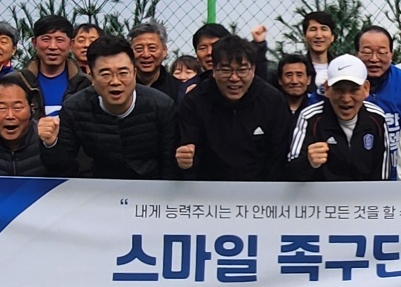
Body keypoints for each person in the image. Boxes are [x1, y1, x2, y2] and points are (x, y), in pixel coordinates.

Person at [40, 35, 178, 179]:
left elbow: (169, 166)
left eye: (123, 73)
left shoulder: (162, 106)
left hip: (151, 185)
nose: (115, 82)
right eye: (106, 74)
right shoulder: (74, 108)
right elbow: (61, 168)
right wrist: (51, 144)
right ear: (92, 77)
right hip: (98, 185)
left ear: (134, 74)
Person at [175, 35, 292, 181]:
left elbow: (278, 157)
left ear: (253, 69)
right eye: (226, 70)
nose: (234, 78)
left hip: (261, 188)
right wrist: (185, 162)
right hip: (207, 188)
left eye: (242, 70)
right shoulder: (194, 101)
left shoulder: (272, 100)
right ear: (214, 70)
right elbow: (187, 151)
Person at [287, 55, 391, 181]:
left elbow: (383, 176)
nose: (346, 99)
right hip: (321, 194)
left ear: (366, 89)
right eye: (339, 90)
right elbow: (290, 173)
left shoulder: (377, 118)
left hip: (366, 193)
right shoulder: (309, 118)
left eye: (354, 90)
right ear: (327, 88)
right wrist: (308, 162)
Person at [355, 26, 401, 172]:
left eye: (382, 52)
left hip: (398, 170)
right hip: (356, 172)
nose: (374, 59)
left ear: (391, 54)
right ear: (356, 54)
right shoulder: (346, 85)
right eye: (367, 52)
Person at [19, 15, 84, 116]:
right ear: (34, 43)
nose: (53, 46)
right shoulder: (17, 82)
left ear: (71, 44)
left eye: (60, 40)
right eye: (46, 39)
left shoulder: (85, 84)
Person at [129, 21, 181, 101]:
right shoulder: (122, 88)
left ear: (164, 50)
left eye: (152, 48)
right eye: (139, 49)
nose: (146, 55)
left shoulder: (179, 90)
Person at [274, 52, 318, 121]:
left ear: (308, 79)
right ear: (280, 80)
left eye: (299, 75)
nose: (294, 81)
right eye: (289, 75)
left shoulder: (317, 108)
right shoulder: (270, 108)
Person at [300, 10, 337, 90]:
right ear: (304, 36)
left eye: (324, 29)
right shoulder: (298, 68)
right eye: (313, 29)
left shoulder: (340, 66)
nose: (319, 35)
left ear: (332, 37)